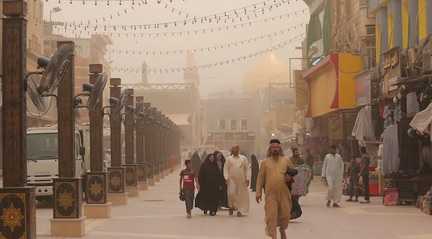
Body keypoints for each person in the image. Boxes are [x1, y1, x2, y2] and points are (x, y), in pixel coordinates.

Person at [256, 139, 295, 239]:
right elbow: (260, 178)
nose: (275, 149)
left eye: (277, 147)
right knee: (271, 217)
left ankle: (282, 229)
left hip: (284, 193)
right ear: (270, 149)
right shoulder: (265, 162)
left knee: (286, 215)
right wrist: (258, 192)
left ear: (280, 149)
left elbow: (293, 171)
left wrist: (290, 177)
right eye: (273, 147)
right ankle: (273, 236)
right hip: (271, 194)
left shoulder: (286, 160)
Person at [224, 145, 250, 217]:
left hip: (241, 180)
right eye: (234, 149)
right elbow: (226, 168)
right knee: (231, 193)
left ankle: (239, 210)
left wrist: (247, 178)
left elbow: (246, 169)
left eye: (237, 149)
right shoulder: (229, 159)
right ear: (232, 150)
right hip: (231, 180)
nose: (235, 151)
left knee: (240, 196)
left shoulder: (243, 158)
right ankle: (231, 206)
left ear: (238, 150)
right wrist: (226, 178)